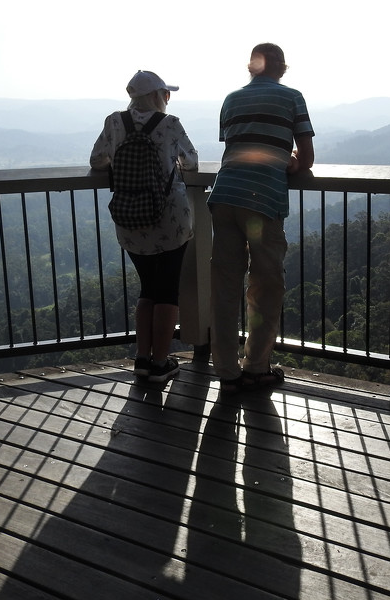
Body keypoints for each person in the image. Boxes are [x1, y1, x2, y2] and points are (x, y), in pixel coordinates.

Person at [208, 43, 315, 393]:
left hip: (224, 196)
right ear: (281, 68)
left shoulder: (231, 99)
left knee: (225, 287)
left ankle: (225, 369)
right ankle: (255, 367)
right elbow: (306, 159)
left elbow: (238, 144)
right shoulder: (292, 97)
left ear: (252, 67)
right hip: (261, 201)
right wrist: (292, 159)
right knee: (265, 287)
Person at [90, 70, 199, 383]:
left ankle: (141, 359)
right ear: (157, 96)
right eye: (166, 94)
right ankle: (161, 362)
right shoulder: (170, 123)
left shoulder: (114, 121)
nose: (168, 99)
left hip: (130, 219)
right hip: (170, 218)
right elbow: (191, 161)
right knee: (168, 292)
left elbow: (97, 160)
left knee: (148, 288)